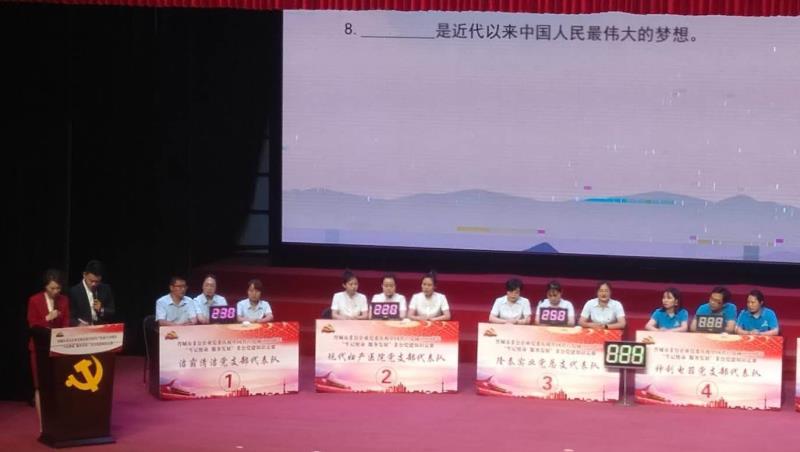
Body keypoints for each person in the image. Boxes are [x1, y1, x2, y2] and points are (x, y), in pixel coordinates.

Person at [27, 269, 70, 431]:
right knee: (40, 386)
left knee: (59, 386)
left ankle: (58, 422)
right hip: (39, 350)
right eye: (52, 288)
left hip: (58, 349)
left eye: (58, 288)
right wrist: (47, 318)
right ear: (45, 287)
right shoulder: (34, 300)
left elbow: (66, 324)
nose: (55, 291)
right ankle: (42, 426)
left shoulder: (64, 300)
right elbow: (32, 324)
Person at [69, 259, 115, 326]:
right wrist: (78, 324)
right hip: (83, 329)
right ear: (84, 275)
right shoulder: (74, 291)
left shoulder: (105, 288)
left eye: (97, 281)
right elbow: (70, 316)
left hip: (101, 328)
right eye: (91, 281)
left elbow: (112, 311)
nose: (94, 284)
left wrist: (101, 309)